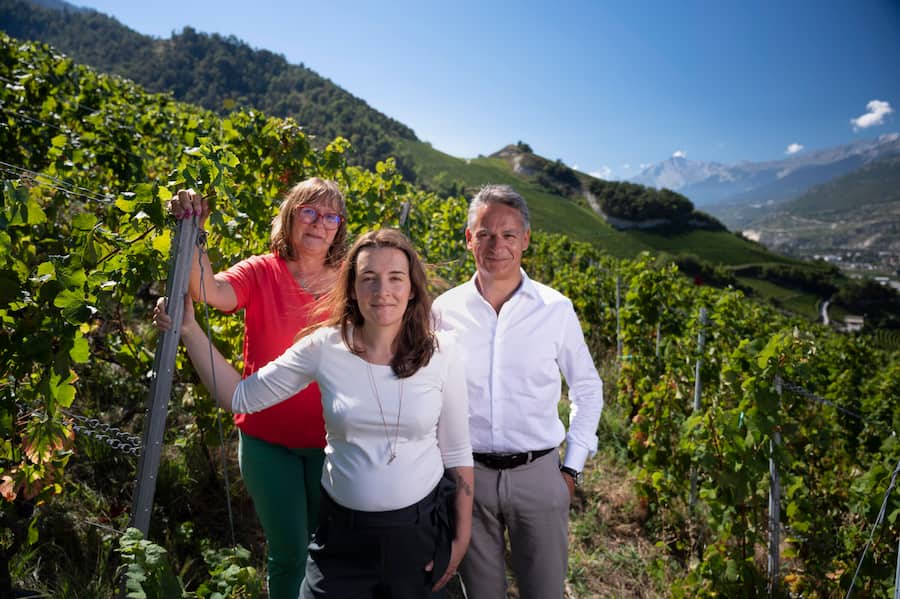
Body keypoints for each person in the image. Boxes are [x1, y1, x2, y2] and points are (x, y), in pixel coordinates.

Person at [160, 228, 474, 598]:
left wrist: (461, 538)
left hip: (417, 535)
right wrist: (189, 329)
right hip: (340, 537)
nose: (382, 291)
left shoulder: (443, 352)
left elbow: (456, 451)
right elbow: (241, 397)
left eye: (395, 278)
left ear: (413, 287)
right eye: (368, 279)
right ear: (353, 288)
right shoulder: (325, 347)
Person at [165, 178, 347, 599]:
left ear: (339, 228)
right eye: (309, 212)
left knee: (331, 551)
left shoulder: (349, 281)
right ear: (290, 217)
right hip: (268, 442)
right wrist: (194, 229)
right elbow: (208, 291)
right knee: (288, 553)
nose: (320, 223)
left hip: (334, 443)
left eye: (331, 216)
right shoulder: (262, 270)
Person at [432, 184, 604, 599]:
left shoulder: (555, 308)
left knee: (544, 592)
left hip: (540, 476)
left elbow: (587, 387)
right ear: (468, 237)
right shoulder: (443, 310)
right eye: (485, 233)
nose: (497, 246)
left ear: (525, 240)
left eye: (509, 235)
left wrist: (571, 469)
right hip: (468, 478)